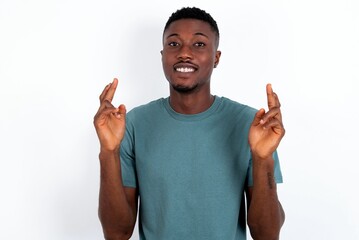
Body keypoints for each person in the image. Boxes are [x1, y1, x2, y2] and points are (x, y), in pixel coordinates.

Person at [94, 6, 285, 240]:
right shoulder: (132, 124)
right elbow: (116, 233)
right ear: (163, 55)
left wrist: (263, 159)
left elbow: (267, 235)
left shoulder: (252, 125)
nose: (185, 53)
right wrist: (108, 151)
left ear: (216, 58)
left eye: (199, 44)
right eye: (174, 44)